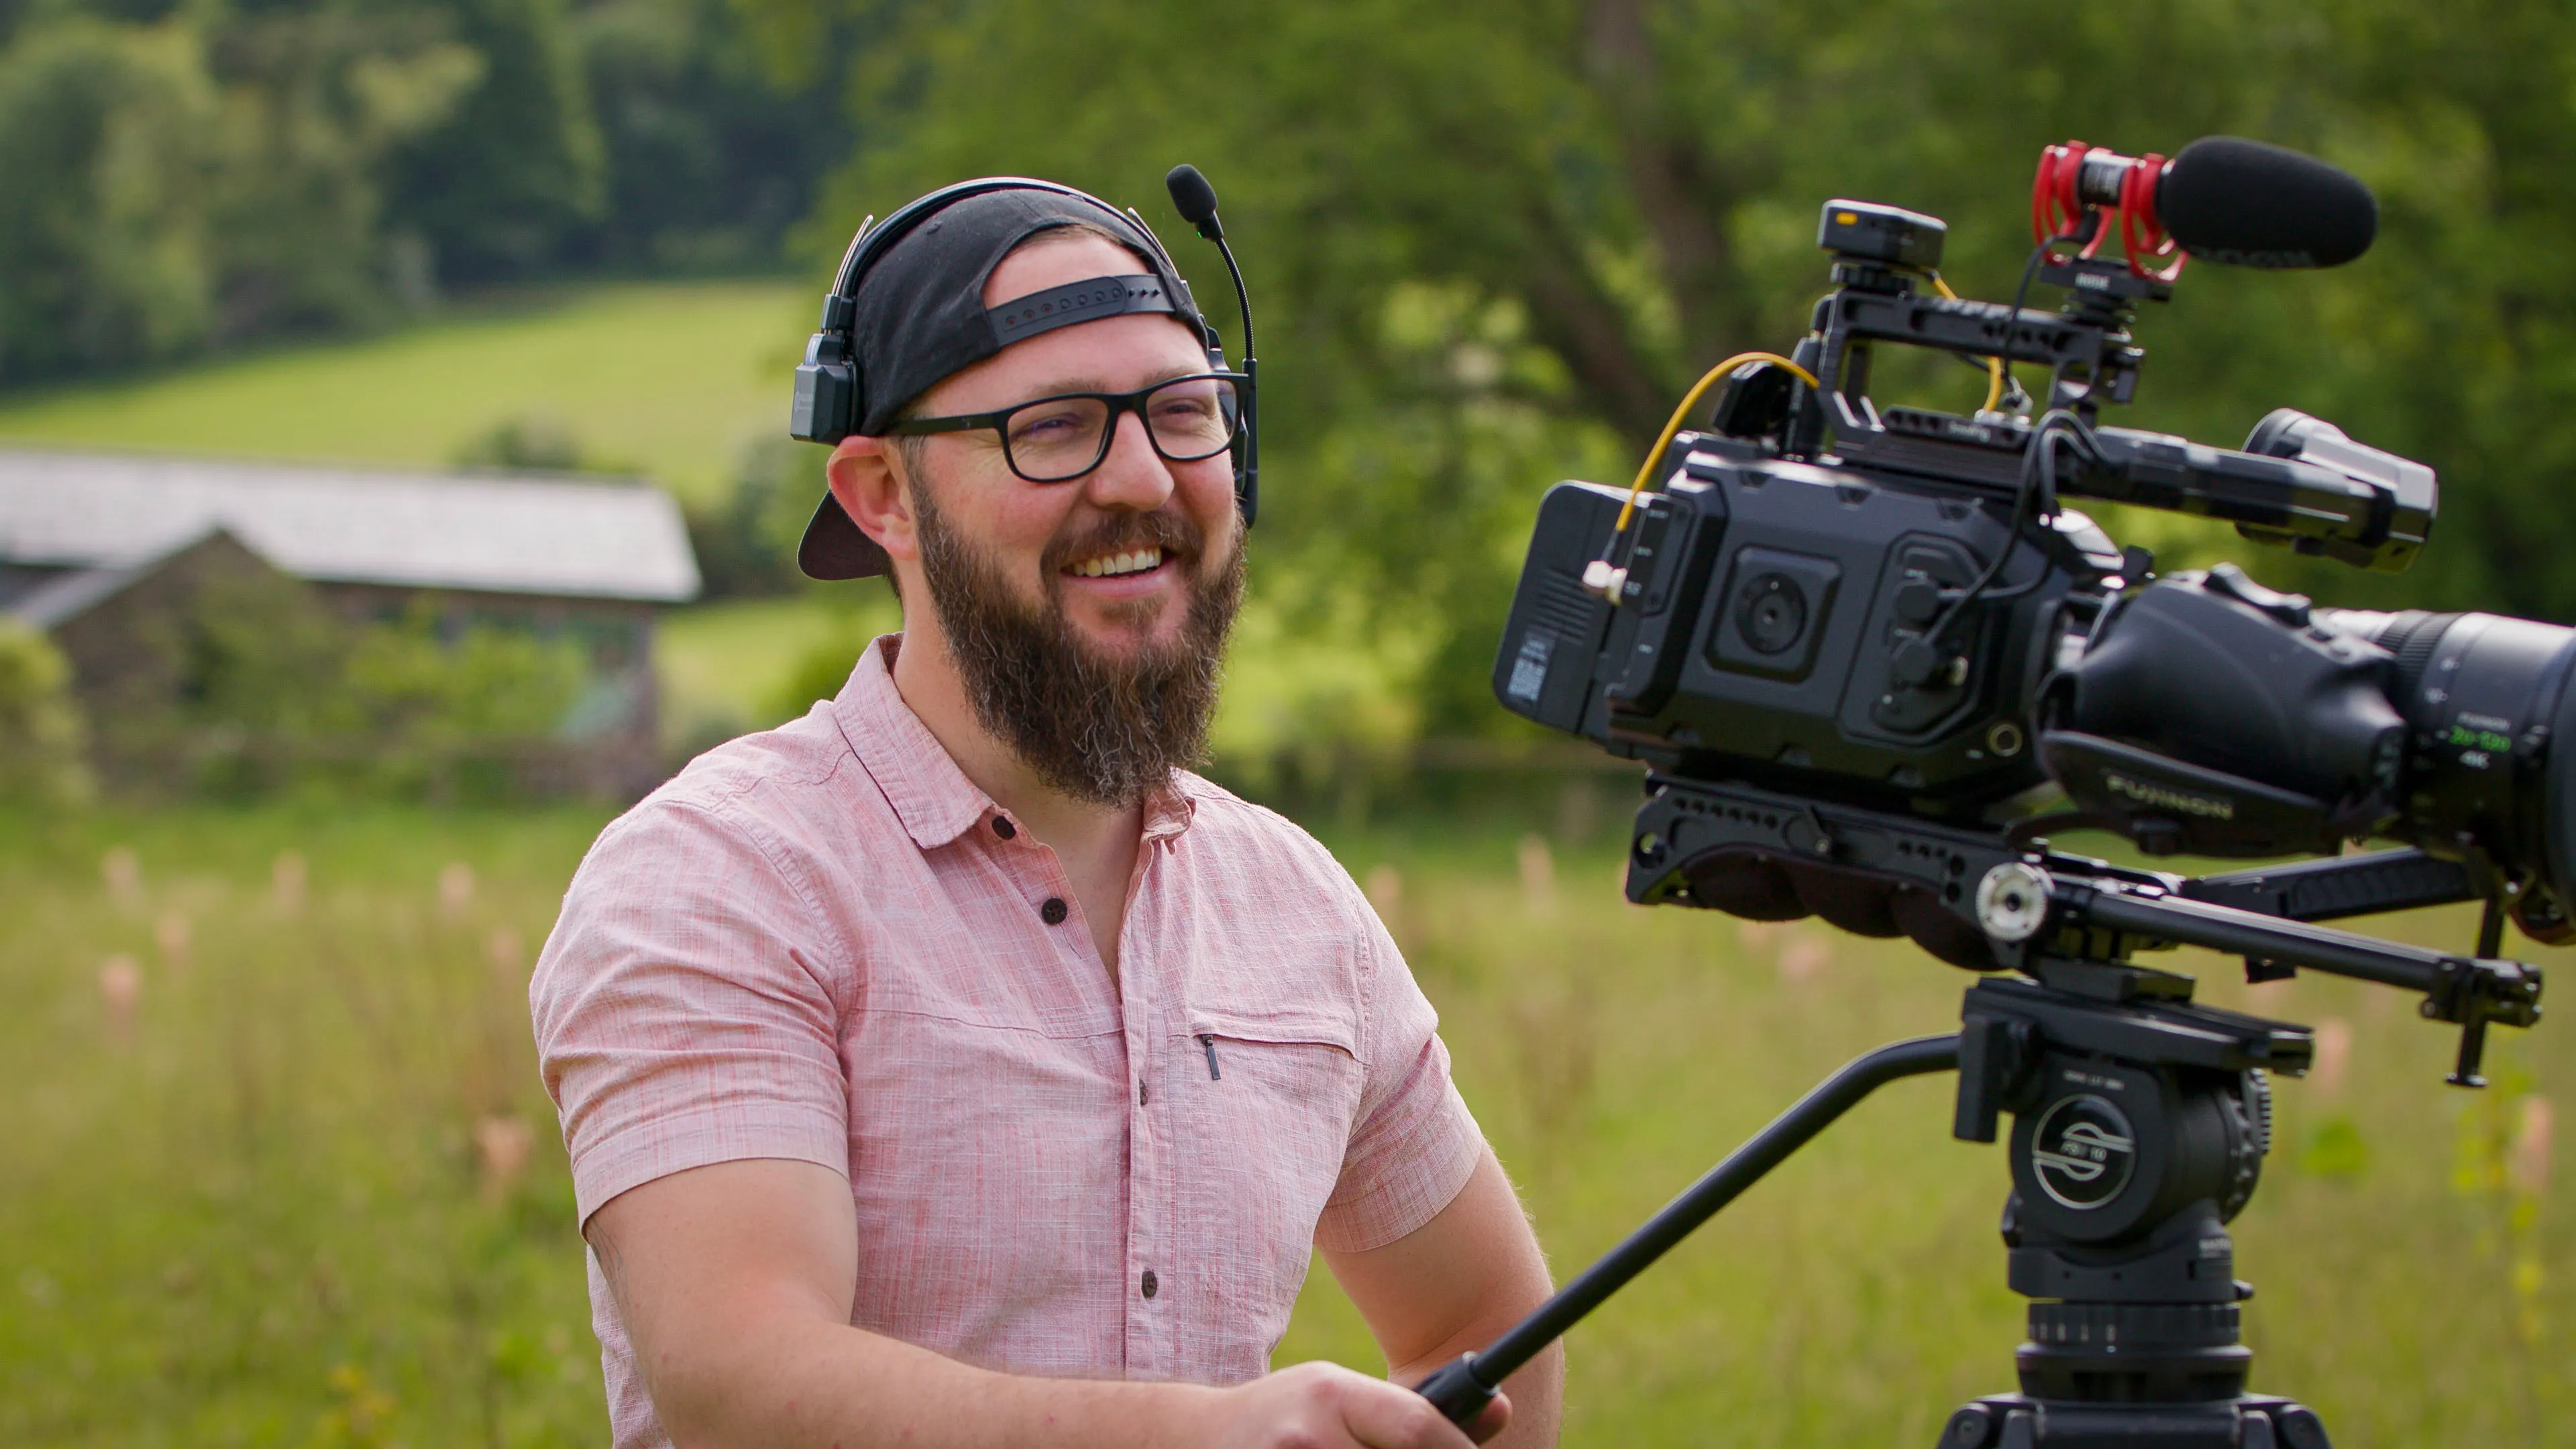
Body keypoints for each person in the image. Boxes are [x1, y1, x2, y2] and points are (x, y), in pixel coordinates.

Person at [530, 179, 1562, 1449]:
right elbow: (741, 1385)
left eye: (1188, 415)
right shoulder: (723, 879)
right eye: (1055, 427)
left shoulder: (1295, 908)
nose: (1143, 479)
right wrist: (1191, 1438)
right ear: (882, 498)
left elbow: (1488, 1328)